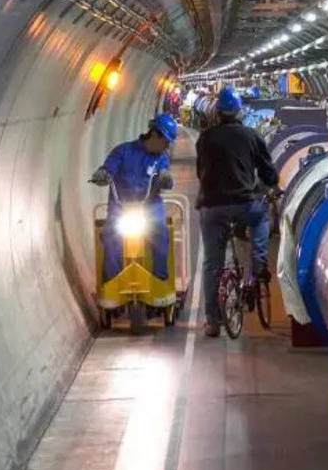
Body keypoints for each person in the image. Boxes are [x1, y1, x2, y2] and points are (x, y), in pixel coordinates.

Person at [196, 86, 278, 337]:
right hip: (245, 204)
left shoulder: (205, 138)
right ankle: (259, 260)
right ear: (240, 111)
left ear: (217, 113)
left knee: (212, 263)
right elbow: (268, 173)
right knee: (261, 218)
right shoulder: (252, 136)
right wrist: (271, 185)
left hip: (212, 207)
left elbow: (201, 172)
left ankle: (212, 321)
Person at [91, 113, 178, 283]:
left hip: (149, 206)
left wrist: (166, 178)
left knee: (160, 232)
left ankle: (160, 278)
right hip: (121, 206)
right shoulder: (122, 151)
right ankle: (113, 280)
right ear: (154, 134)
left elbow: (164, 172)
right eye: (165, 142)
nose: (166, 147)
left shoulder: (161, 158)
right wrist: (103, 174)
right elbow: (109, 168)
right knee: (111, 236)